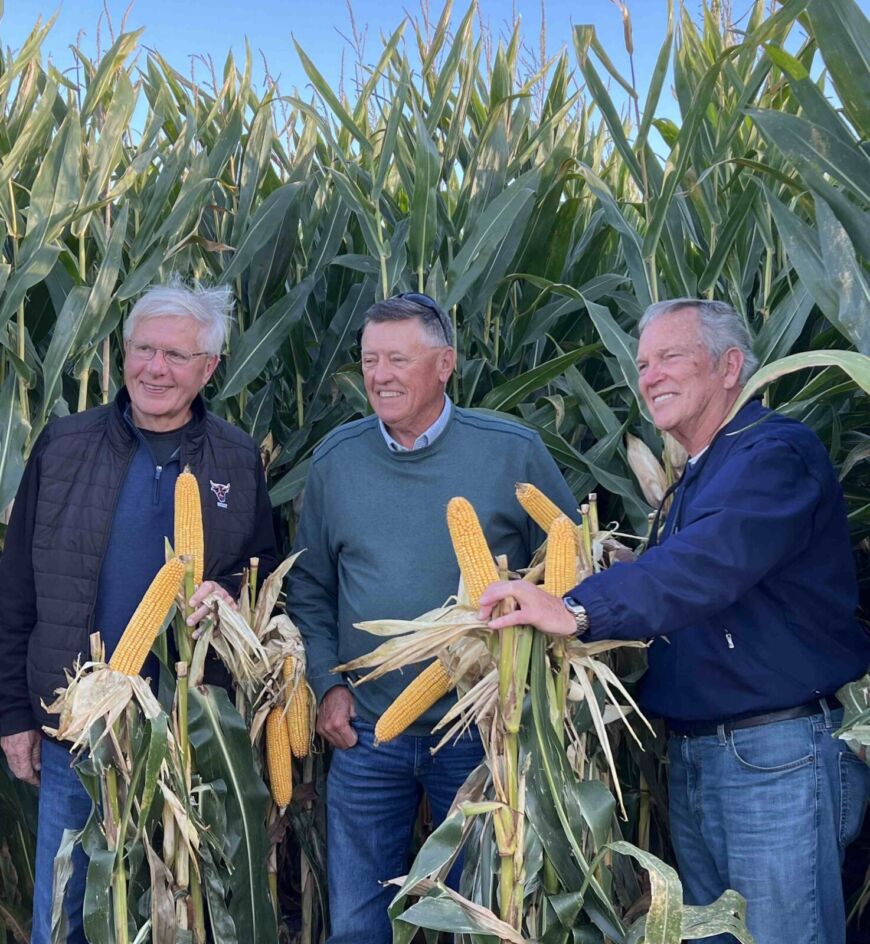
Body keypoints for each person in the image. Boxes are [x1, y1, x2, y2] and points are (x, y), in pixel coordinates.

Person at [479, 298, 870, 944]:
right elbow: (683, 584)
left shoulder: (774, 454)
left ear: (729, 366)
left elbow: (705, 566)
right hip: (703, 757)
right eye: (642, 364)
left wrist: (577, 608)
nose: (649, 376)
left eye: (670, 358)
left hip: (773, 759)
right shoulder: (699, 478)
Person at [288, 293, 577, 943]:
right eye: (368, 360)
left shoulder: (510, 453)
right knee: (362, 920)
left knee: (481, 914)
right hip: (368, 733)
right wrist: (326, 684)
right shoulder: (338, 460)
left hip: (479, 728)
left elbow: (569, 568)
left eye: (398, 358)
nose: (380, 375)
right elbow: (308, 587)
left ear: (445, 364)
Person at [0, 280, 279, 944]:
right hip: (79, 729)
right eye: (143, 349)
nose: (156, 369)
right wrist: (14, 715)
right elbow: (16, 592)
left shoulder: (236, 460)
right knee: (66, 915)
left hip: (190, 734)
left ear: (210, 367)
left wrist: (231, 598)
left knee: (180, 912)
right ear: (123, 353)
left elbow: (260, 570)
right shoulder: (63, 447)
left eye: (177, 356)